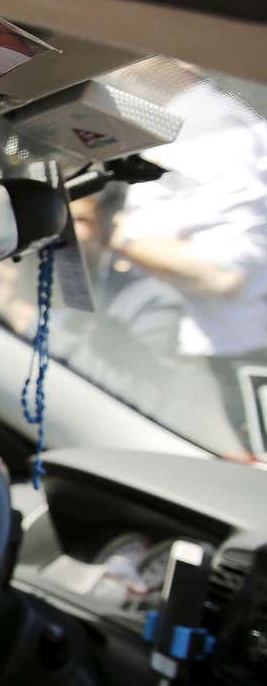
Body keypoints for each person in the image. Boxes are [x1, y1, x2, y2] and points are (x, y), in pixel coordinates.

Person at [108, 79, 267, 455]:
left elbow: (221, 274)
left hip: (222, 362)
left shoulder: (211, 122)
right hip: (195, 355)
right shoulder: (170, 116)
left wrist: (115, 237)